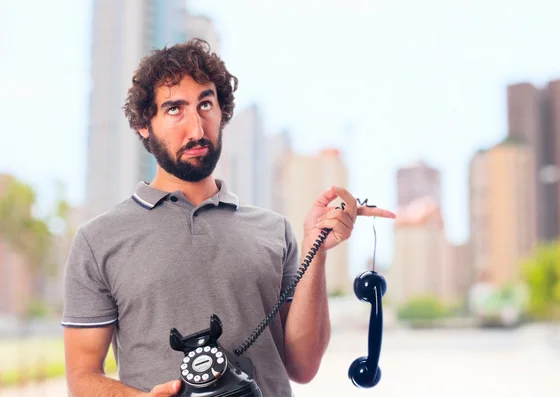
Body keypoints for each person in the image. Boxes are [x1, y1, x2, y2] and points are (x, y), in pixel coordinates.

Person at [62, 38, 395, 397]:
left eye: (205, 104)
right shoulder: (98, 240)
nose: (196, 129)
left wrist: (318, 247)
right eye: (175, 109)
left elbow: (302, 366)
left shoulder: (275, 231)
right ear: (145, 125)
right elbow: (81, 377)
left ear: (222, 113)